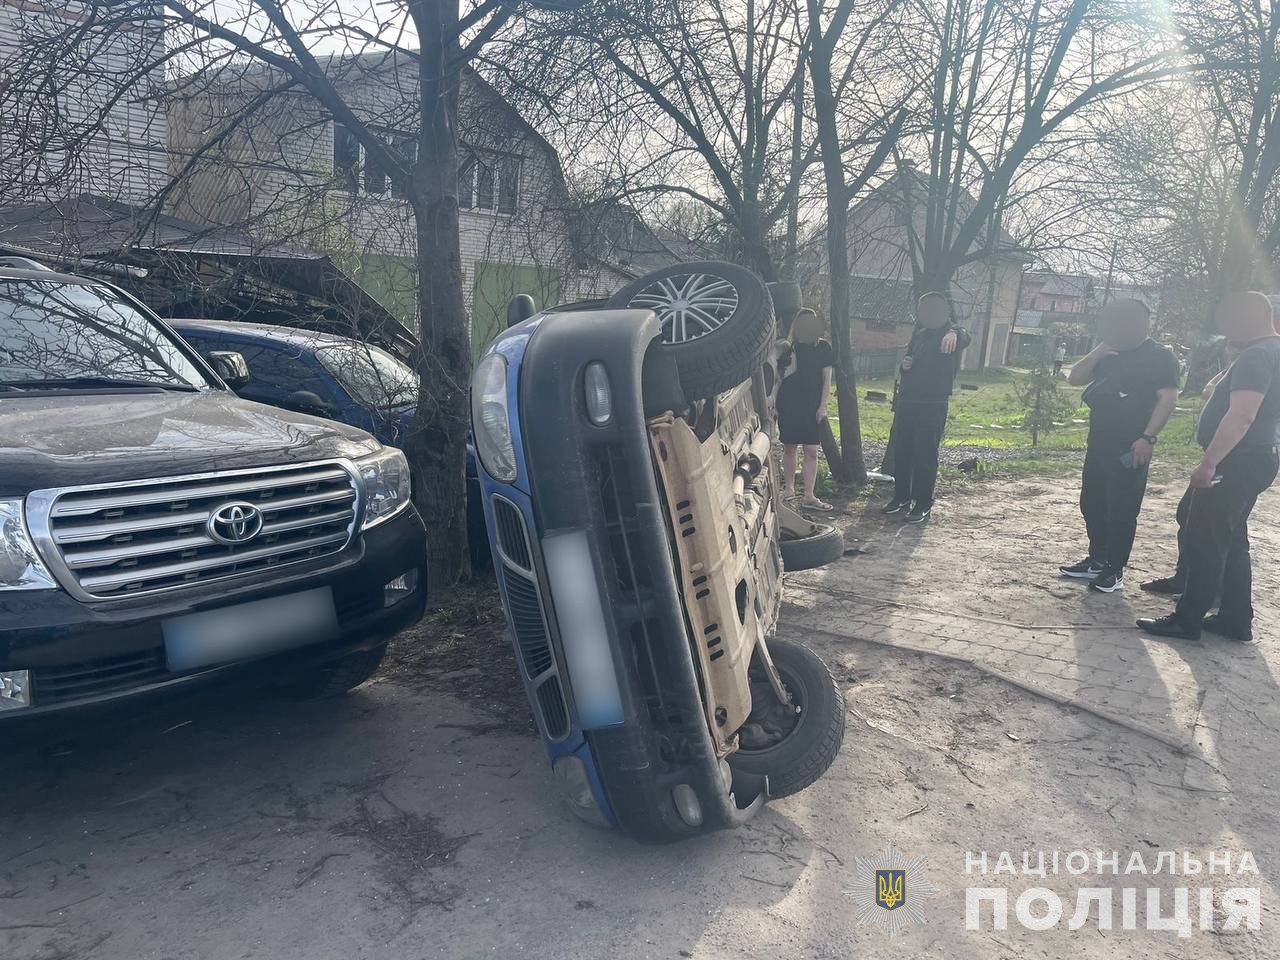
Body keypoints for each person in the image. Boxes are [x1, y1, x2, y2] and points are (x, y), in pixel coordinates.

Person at [1138, 292, 1280, 642]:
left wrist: (1210, 462)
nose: (1225, 328)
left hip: (1236, 459)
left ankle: (1187, 620)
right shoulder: (1269, 351)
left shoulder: (1258, 355)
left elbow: (1243, 415)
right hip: (1258, 456)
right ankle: (1234, 619)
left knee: (1205, 538)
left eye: (1229, 320)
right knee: (1230, 538)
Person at [1057, 300, 1180, 592]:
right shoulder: (1108, 351)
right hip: (1099, 441)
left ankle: (1114, 570)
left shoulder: (1160, 357)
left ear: (1142, 324)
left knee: (1121, 509)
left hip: (1132, 444)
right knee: (1092, 502)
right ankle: (1096, 560)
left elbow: (1168, 399)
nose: (1117, 328)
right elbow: (1075, 378)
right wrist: (1097, 352)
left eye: (1123, 322)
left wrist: (1148, 437)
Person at [881, 292, 970, 524]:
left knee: (925, 454)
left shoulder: (952, 334)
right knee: (903, 452)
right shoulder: (919, 334)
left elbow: (966, 336)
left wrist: (954, 330)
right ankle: (901, 497)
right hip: (909, 401)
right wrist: (905, 365)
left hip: (933, 403)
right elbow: (907, 365)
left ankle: (923, 504)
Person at [777, 308, 834, 511]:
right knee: (789, 448)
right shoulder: (788, 347)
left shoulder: (824, 348)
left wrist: (823, 406)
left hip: (812, 404)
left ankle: (809, 495)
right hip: (790, 402)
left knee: (811, 451)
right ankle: (789, 491)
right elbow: (779, 377)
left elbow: (827, 379)